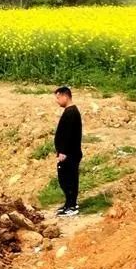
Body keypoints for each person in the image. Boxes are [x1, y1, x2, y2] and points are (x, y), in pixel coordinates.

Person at [53, 86, 82, 216]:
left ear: (65, 96)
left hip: (69, 154)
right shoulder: (69, 111)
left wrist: (63, 152)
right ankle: (68, 204)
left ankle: (72, 206)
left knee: (68, 179)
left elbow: (68, 135)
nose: (57, 101)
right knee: (64, 178)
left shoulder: (71, 113)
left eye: (58, 98)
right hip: (67, 153)